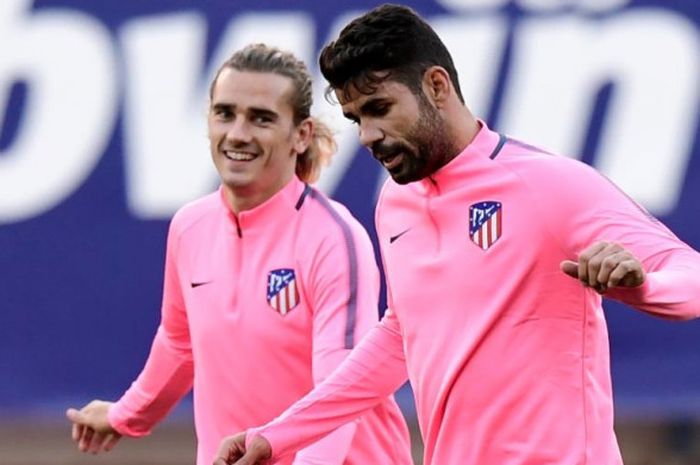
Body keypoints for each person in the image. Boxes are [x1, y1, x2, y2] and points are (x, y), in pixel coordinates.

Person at [213, 5, 700, 465]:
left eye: (381, 107)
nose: (367, 135)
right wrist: (278, 435)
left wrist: (642, 287)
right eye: (357, 118)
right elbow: (400, 337)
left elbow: (691, 276)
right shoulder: (395, 204)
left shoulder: (550, 185)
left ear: (437, 85)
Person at [65, 43, 413, 465]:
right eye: (225, 113)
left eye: (261, 118)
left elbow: (340, 395)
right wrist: (124, 415)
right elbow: (179, 344)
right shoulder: (190, 227)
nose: (238, 133)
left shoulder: (333, 238)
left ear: (300, 134)